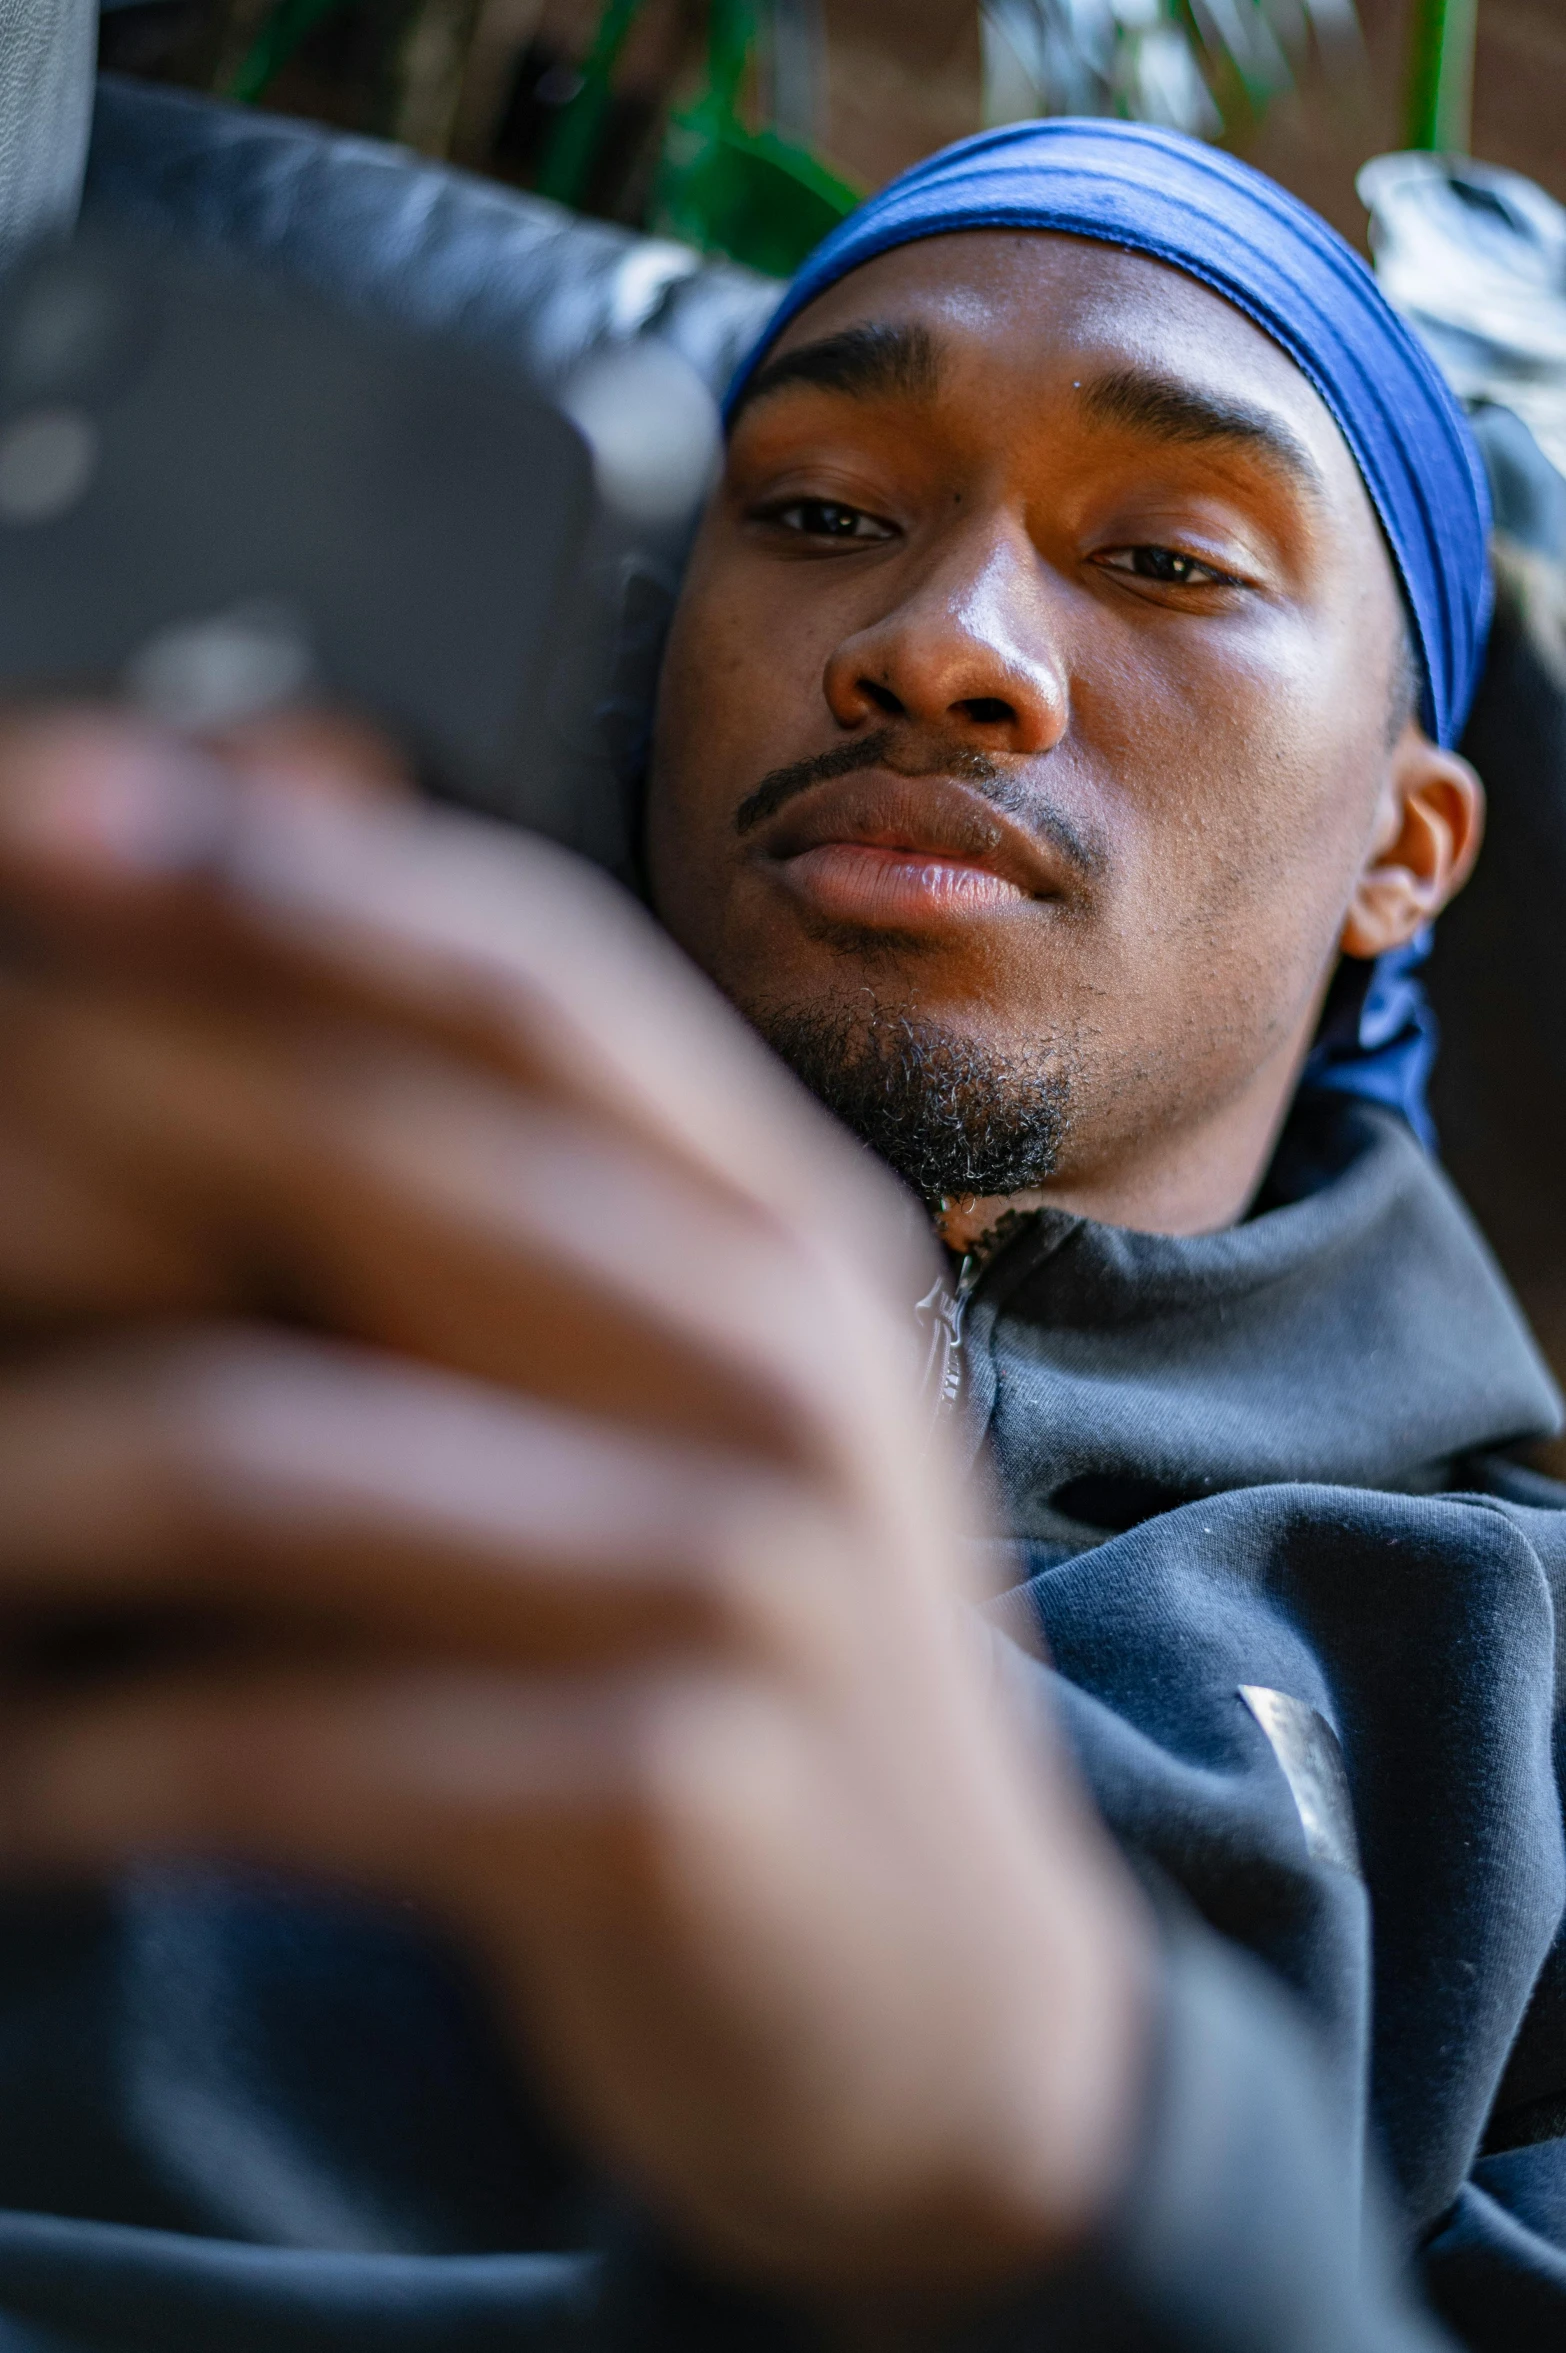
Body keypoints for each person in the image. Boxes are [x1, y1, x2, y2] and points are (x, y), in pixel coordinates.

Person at [0, 116, 1554, 2353]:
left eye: (1175, 561)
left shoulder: (1526, 1696)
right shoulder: (183, 1215)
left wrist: (1070, 2145)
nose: (946, 649)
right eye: (821, 517)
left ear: (1406, 847)